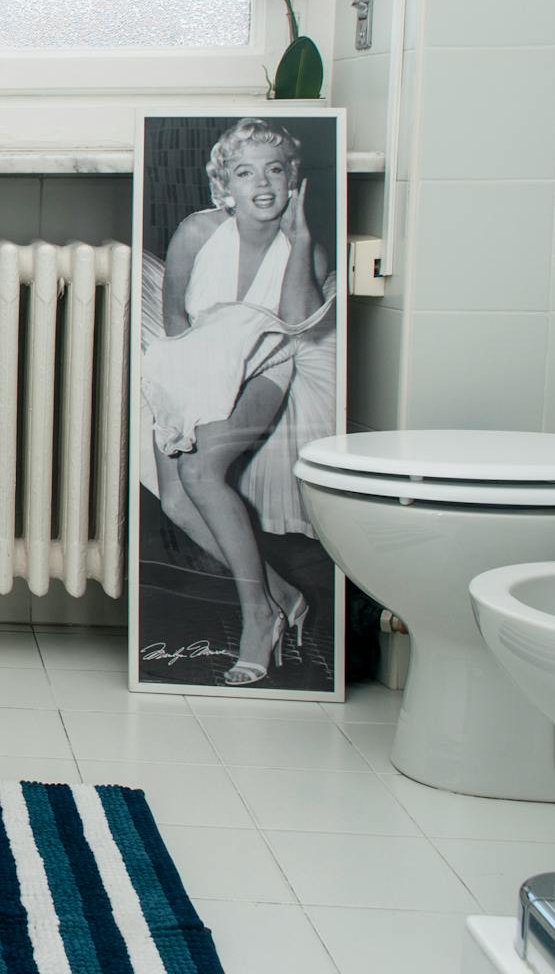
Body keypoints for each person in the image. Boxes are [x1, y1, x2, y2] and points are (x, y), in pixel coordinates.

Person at [142, 119, 336, 685]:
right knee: (177, 503)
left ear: (293, 178)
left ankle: (258, 617)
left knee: (201, 474)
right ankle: (282, 596)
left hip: (265, 368)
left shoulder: (308, 249)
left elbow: (299, 321)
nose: (262, 184)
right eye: (245, 173)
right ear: (224, 184)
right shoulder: (198, 232)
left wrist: (300, 240)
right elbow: (174, 317)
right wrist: (192, 390)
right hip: (195, 364)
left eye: (274, 170)